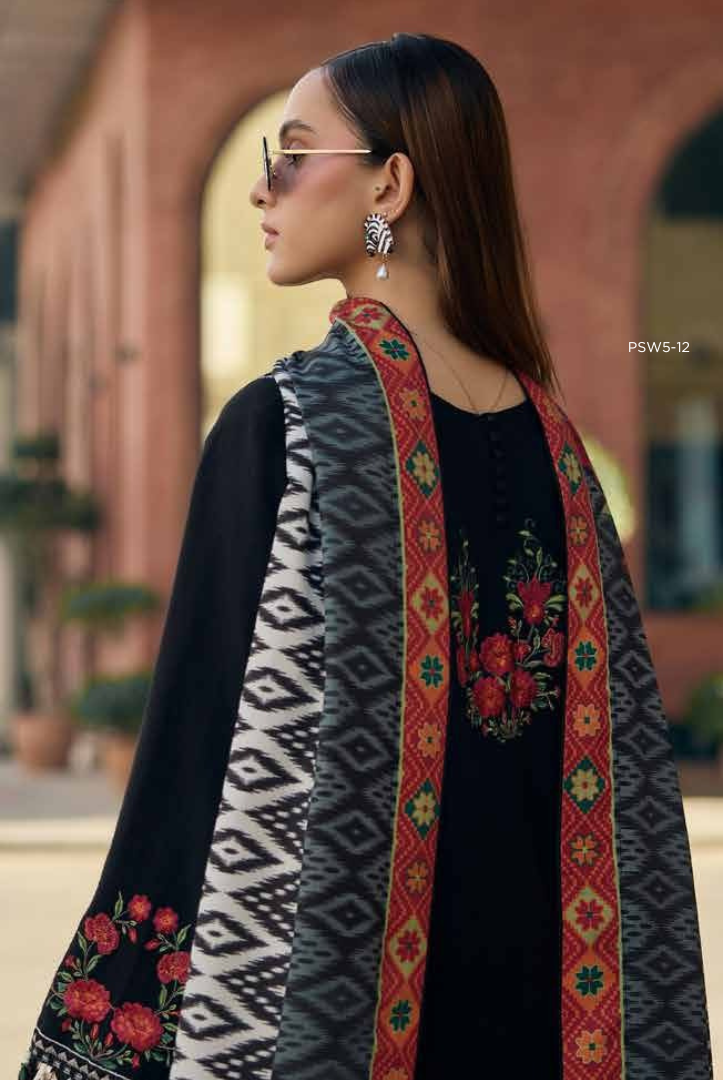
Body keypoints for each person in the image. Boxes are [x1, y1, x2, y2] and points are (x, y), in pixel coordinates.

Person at [20, 32, 713, 1080]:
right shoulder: (561, 455)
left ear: (390, 183)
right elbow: (627, 807)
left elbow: (194, 765)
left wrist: (109, 1040)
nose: (262, 189)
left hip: (344, 1030)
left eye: (294, 156)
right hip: (542, 1030)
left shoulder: (284, 426)